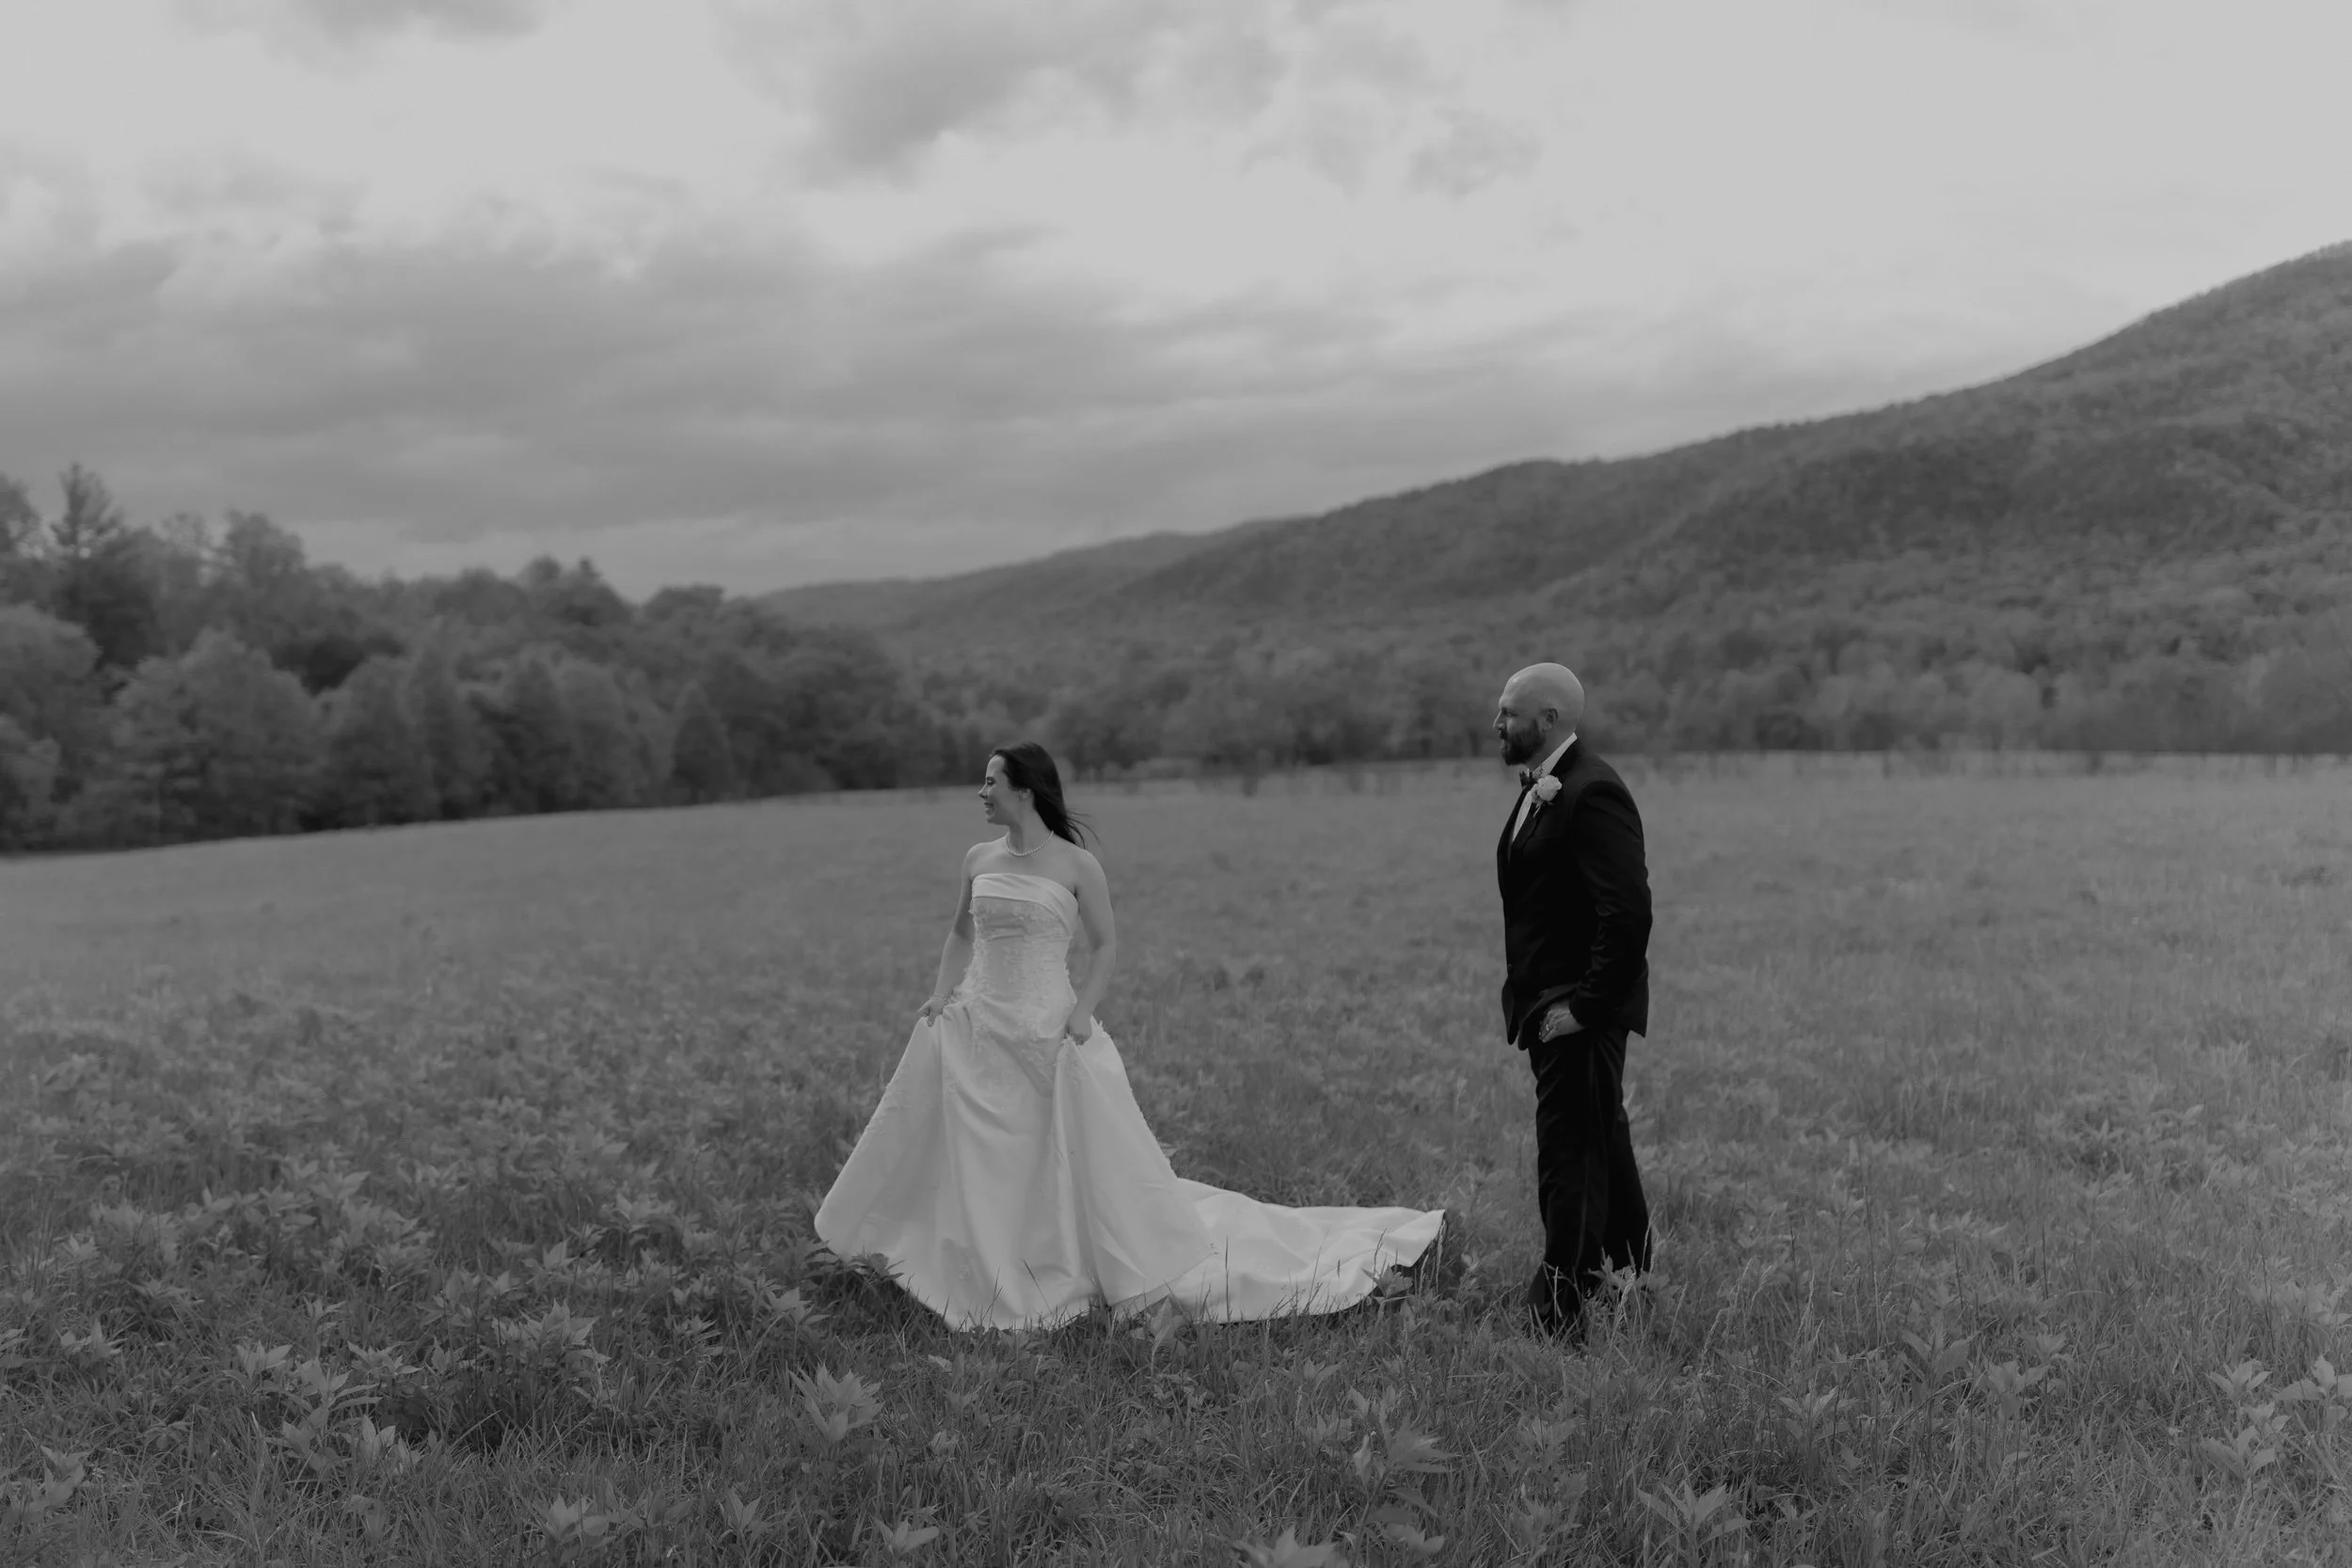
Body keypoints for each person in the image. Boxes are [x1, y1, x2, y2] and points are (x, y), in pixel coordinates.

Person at [815, 741, 1444, 1331]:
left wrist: (1083, 1009)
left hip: (1047, 1028)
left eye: (990, 781)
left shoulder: (1076, 864)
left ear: (1026, 791)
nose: (979, 791)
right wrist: (942, 991)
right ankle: (975, 1263)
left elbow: (1105, 945)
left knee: (1053, 1152)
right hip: (979, 1024)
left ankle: (1052, 1260)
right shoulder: (978, 859)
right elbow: (960, 935)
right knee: (978, 1154)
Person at [1492, 663, 1654, 1338]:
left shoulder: (1592, 792)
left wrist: (1585, 1007)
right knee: (1600, 1141)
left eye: (1509, 712)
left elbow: (1628, 914)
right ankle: (1631, 1274)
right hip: (1548, 1006)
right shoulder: (1546, 786)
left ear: (1550, 719)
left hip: (1576, 1013)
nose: (1497, 723)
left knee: (1569, 1154)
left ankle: (1559, 1305)